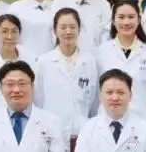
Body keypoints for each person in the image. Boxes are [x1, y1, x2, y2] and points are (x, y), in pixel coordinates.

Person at [34, 8, 99, 137]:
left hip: (81, 132)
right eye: (63, 27)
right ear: (55, 31)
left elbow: (94, 100)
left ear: (79, 30)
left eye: (72, 27)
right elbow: (38, 99)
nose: (68, 32)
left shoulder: (89, 61)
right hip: (50, 132)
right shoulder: (43, 62)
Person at [95, 0, 146, 123]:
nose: (126, 22)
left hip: (142, 119)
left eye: (131, 17)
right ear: (113, 21)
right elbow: (96, 93)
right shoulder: (101, 52)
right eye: (121, 17)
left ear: (139, 20)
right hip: (108, 120)